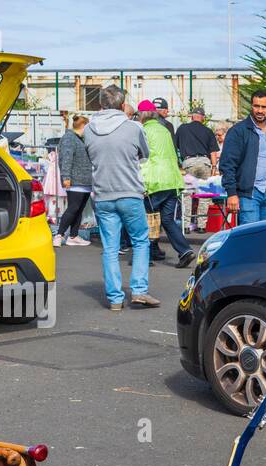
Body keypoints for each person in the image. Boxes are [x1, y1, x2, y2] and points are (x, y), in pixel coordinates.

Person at [82, 84, 160, 311]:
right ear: (123, 104)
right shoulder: (133, 128)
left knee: (110, 248)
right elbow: (145, 154)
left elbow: (90, 155)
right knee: (140, 241)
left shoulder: (88, 129)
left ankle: (115, 298)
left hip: (103, 194)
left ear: (100, 104)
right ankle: (138, 290)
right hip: (129, 192)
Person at [137, 100, 194, 268]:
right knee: (167, 219)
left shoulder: (143, 131)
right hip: (172, 179)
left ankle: (146, 256)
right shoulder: (164, 129)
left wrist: (143, 183)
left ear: (141, 115)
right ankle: (184, 250)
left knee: (147, 219)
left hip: (155, 180)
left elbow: (143, 158)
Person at [219, 88, 266, 225]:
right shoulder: (238, 131)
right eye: (256, 106)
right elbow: (227, 164)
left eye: (264, 107)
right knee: (250, 238)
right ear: (251, 106)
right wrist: (231, 193)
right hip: (249, 195)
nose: (260, 110)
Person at [54, 114, 93, 247]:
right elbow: (66, 159)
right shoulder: (69, 138)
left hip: (85, 181)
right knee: (73, 208)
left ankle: (73, 236)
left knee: (78, 209)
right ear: (83, 126)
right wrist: (66, 177)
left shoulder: (81, 139)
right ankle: (59, 235)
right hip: (75, 181)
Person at [175, 106, 219, 179]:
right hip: (204, 163)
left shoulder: (182, 128)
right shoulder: (208, 131)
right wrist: (214, 168)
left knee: (191, 189)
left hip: (189, 163)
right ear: (203, 118)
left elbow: (175, 146)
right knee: (204, 189)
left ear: (192, 117)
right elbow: (213, 152)